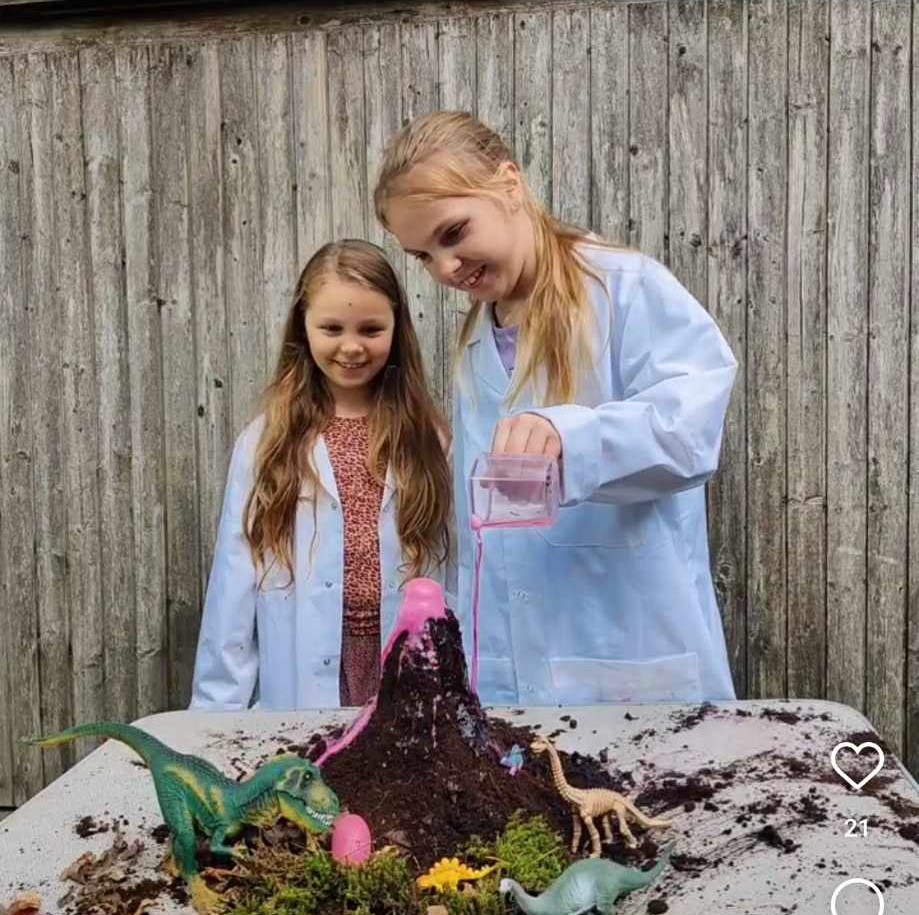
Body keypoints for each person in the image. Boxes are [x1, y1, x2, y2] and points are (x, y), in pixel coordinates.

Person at [373, 110, 738, 706]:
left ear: (509, 185)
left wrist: (570, 437)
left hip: (630, 663)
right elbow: (483, 531)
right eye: (422, 256)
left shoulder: (624, 287)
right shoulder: (476, 342)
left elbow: (689, 432)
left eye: (454, 233)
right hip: (508, 678)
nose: (444, 269)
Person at [190, 239, 452, 710]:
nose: (351, 346)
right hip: (303, 669)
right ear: (303, 327)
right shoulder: (267, 441)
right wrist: (215, 712)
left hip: (403, 661)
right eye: (331, 328)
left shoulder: (429, 439)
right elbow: (233, 584)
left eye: (371, 329)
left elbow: (457, 573)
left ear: (397, 330)